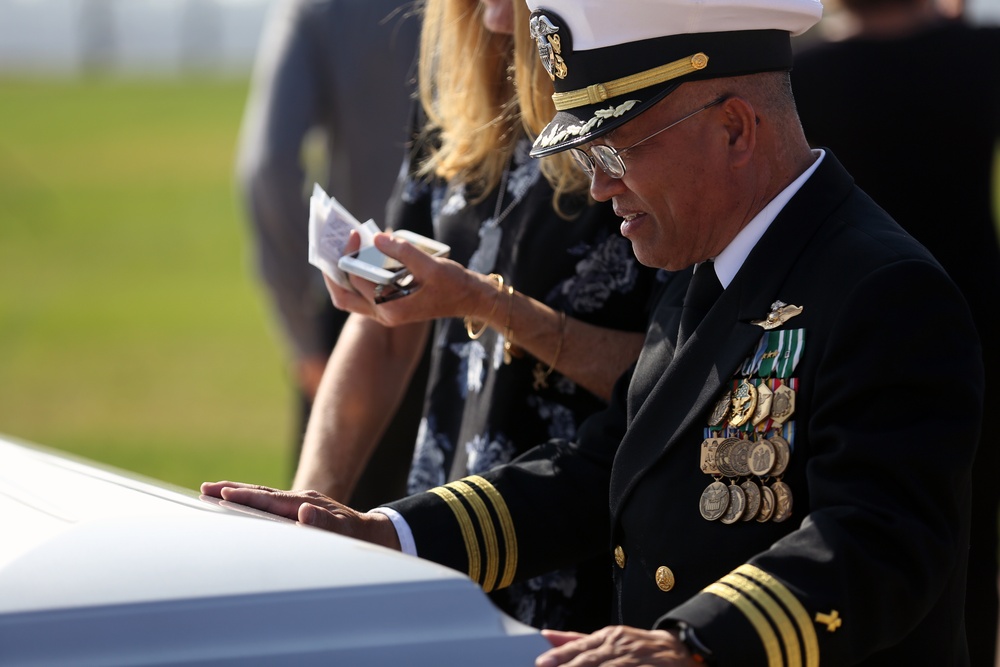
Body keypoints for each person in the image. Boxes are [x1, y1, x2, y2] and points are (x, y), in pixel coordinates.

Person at [205, 0, 985, 662]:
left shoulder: (885, 291)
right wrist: (390, 532)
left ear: (737, 130)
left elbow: (879, 541)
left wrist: (695, 642)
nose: (600, 182)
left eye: (615, 145)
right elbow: (602, 466)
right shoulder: (708, 272)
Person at [290, 0, 659, 632]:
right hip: (445, 524)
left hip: (579, 537)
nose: (487, 19)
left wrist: (485, 303)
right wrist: (305, 508)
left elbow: (677, 378)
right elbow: (385, 337)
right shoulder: (455, 98)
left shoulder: (637, 114)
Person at [790, 6, 1000, 663]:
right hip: (972, 327)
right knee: (966, 542)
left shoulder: (802, 71)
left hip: (841, 340)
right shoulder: (979, 54)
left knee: (849, 541)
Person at [235, 0, 427, 504]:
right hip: (481, 302)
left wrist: (304, 337)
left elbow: (267, 167)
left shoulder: (315, 9)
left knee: (334, 536)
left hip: (360, 295)